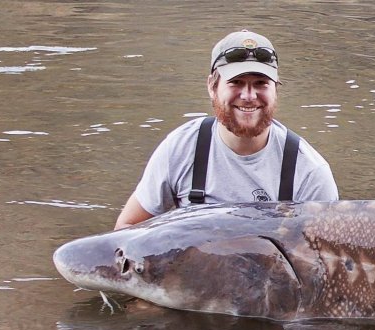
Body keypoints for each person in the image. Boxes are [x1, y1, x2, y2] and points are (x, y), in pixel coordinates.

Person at [114, 29, 338, 230]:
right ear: (212, 87)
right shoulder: (179, 149)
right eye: (236, 82)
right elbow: (127, 229)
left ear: (276, 90)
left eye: (261, 83)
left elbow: (330, 259)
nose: (249, 96)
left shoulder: (310, 173)